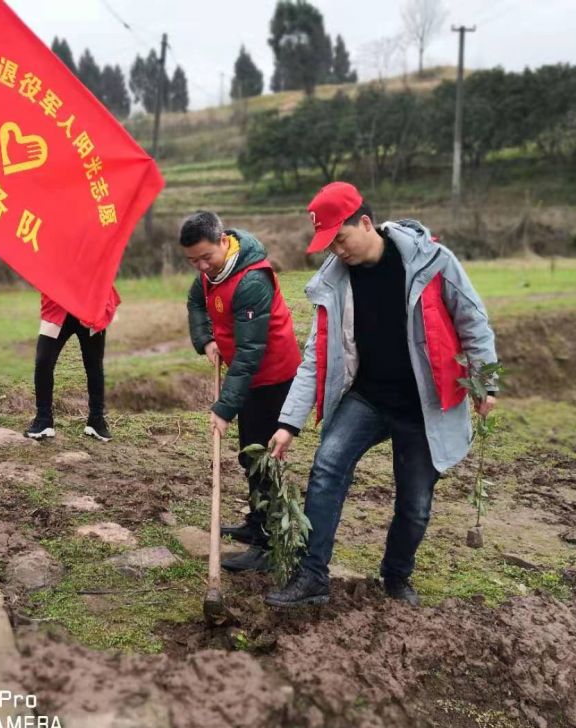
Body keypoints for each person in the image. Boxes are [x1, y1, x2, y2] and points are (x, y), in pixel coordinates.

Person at [265, 182, 499, 608]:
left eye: (341, 238)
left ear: (366, 223)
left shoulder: (433, 262)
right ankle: (312, 577)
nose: (336, 250)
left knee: (414, 504)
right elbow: (316, 359)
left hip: (422, 405)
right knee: (327, 465)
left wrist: (487, 381)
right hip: (367, 397)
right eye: (328, 243)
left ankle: (396, 577)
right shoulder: (333, 283)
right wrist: (288, 423)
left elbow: (472, 319)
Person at [181, 211, 301, 572]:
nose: (202, 266)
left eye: (206, 257)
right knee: (251, 454)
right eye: (193, 261)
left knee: (263, 458)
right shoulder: (210, 274)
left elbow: (251, 355)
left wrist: (224, 408)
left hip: (272, 377)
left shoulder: (251, 280)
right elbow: (196, 303)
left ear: (223, 242)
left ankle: (268, 545)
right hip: (246, 376)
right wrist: (206, 341)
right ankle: (257, 523)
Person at [26, 288, 120, 442]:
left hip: (90, 305)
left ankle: (96, 420)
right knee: (43, 361)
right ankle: (43, 420)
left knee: (94, 365)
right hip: (57, 305)